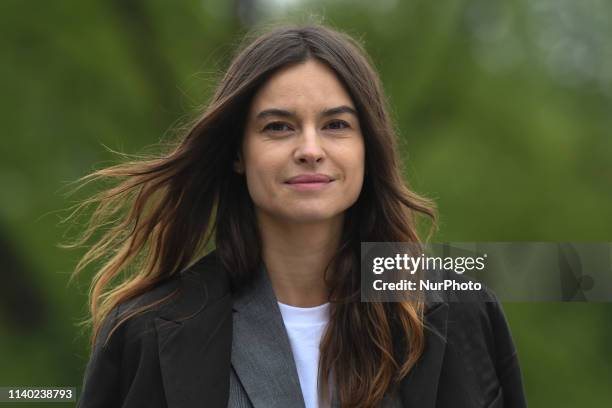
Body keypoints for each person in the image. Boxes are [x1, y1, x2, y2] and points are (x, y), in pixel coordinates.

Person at [70, 23, 527, 408]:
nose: (310, 150)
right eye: (278, 127)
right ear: (238, 153)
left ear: (368, 148)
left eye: (336, 125)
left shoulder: (460, 311)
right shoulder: (147, 331)